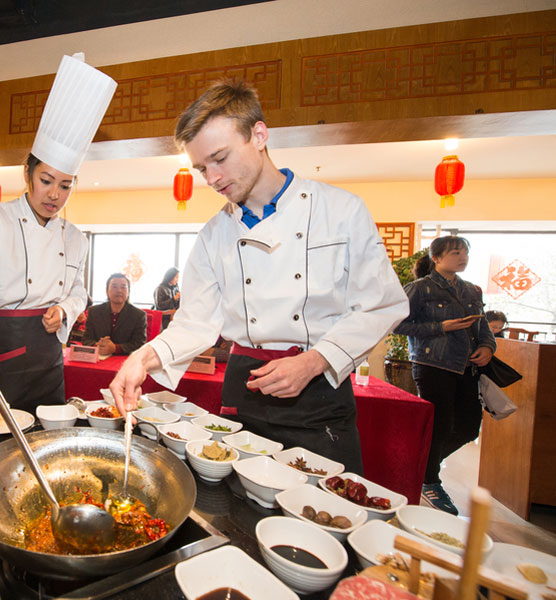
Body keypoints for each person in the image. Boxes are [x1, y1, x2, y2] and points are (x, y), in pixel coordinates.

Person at [109, 80, 408, 473]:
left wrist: (316, 360)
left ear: (259, 134)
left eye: (220, 158)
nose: (212, 179)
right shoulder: (214, 234)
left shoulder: (340, 210)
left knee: (324, 517)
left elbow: (382, 304)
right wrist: (141, 358)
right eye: (201, 168)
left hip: (320, 392)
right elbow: (196, 322)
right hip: (243, 388)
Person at [0, 53, 116, 422]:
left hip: (47, 359)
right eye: (46, 181)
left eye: (65, 185)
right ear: (27, 173)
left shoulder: (76, 237)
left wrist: (64, 310)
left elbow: (79, 291)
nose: (54, 194)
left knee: (46, 442)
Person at [394, 236, 495, 515]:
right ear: (436, 258)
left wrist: (488, 346)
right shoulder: (420, 289)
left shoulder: (471, 291)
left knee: (468, 426)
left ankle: (421, 466)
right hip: (433, 363)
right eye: (455, 252)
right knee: (438, 425)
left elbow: (483, 325)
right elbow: (398, 325)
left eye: (465, 253)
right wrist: (442, 327)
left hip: (467, 365)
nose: (462, 257)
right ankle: (429, 480)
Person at [83, 273, 147, 356]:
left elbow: (139, 343)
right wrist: (98, 345)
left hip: (124, 361)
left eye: (123, 287)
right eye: (114, 286)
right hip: (98, 358)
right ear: (107, 290)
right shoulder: (94, 311)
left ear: (128, 291)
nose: (119, 290)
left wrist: (116, 348)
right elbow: (86, 339)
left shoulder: (139, 315)